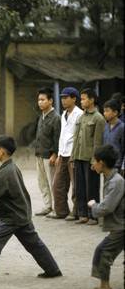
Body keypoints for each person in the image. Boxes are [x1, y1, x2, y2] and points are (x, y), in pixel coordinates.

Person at [0, 135, 62, 286]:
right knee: (34, 244)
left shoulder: (6, 172)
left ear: (2, 151)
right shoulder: (11, 167)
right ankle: (53, 269)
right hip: (21, 213)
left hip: (13, 216)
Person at [84, 144, 124, 289]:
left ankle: (105, 287)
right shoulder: (111, 178)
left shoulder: (116, 182)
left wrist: (94, 206)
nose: (92, 166)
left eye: (93, 162)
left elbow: (107, 208)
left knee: (103, 252)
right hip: (118, 225)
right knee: (103, 251)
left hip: (120, 227)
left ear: (101, 163)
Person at [70, 88, 107, 225]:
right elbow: (75, 139)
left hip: (90, 159)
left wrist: (94, 160)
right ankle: (83, 214)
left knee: (91, 187)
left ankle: (93, 215)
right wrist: (73, 158)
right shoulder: (81, 117)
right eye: (81, 99)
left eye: (84, 98)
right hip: (79, 157)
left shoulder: (98, 118)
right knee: (79, 187)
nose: (82, 101)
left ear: (92, 100)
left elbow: (98, 142)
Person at [51, 87, 83, 220]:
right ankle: (61, 211)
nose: (63, 100)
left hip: (73, 154)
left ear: (74, 99)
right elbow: (62, 136)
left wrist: (75, 156)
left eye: (66, 97)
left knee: (76, 186)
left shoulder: (79, 114)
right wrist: (58, 154)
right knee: (57, 184)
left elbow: (79, 137)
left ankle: (76, 212)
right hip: (63, 154)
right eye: (62, 98)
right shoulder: (64, 115)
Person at [34, 87, 61, 216]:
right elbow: (39, 136)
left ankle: (57, 208)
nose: (40, 102)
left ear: (50, 101)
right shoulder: (41, 117)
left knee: (52, 183)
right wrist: (36, 153)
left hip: (50, 156)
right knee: (42, 182)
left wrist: (55, 154)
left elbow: (57, 138)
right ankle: (47, 206)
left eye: (43, 100)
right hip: (40, 155)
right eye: (39, 100)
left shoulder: (56, 118)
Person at [102, 100, 125, 177]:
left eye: (107, 111)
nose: (104, 113)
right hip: (106, 164)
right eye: (104, 111)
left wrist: (123, 166)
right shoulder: (106, 128)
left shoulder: (122, 127)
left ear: (115, 112)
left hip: (117, 164)